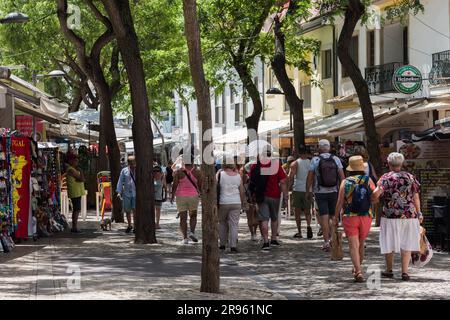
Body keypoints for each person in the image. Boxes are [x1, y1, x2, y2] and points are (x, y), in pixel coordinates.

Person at [371, 152, 422, 281]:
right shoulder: (410, 177)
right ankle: (405, 272)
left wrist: (372, 199)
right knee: (407, 242)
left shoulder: (386, 178)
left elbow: (376, 194)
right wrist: (419, 213)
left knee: (389, 241)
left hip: (390, 214)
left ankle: (389, 270)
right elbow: (416, 197)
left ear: (388, 163)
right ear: (401, 163)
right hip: (409, 214)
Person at [334, 156, 376, 282]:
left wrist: (335, 217)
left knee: (353, 245)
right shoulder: (368, 180)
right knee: (361, 244)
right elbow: (375, 198)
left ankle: (358, 271)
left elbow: (340, 201)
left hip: (349, 216)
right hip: (366, 216)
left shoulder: (345, 182)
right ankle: (357, 267)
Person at [306, 139, 345, 252]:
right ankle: (334, 239)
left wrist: (308, 190)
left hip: (320, 192)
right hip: (334, 191)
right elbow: (342, 177)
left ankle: (326, 242)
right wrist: (343, 191)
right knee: (334, 216)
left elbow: (310, 177)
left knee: (324, 216)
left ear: (319, 148)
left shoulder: (315, 160)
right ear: (329, 147)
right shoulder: (336, 159)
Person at [249, 147, 288, 251]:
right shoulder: (276, 165)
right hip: (275, 195)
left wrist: (251, 195)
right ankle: (274, 239)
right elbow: (283, 181)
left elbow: (251, 181)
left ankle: (266, 241)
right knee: (274, 218)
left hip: (261, 196)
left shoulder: (255, 166)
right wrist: (285, 196)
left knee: (264, 219)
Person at [171, 153, 201, 244]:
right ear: (192, 161)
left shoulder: (179, 172)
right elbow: (200, 185)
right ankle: (192, 232)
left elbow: (175, 185)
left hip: (181, 196)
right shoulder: (197, 172)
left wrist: (172, 196)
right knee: (193, 215)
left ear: (184, 161)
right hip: (193, 196)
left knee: (183, 218)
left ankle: (184, 238)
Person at [217, 162, 246, 253]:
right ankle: (233, 246)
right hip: (236, 202)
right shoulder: (238, 176)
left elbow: (214, 186)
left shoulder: (220, 174)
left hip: (223, 202)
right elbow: (241, 191)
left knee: (222, 223)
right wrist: (242, 202)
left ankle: (222, 244)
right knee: (234, 224)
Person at [288, 149, 313, 239]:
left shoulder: (295, 163)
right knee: (307, 210)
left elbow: (291, 177)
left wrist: (287, 188)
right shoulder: (311, 163)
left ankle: (299, 231)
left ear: (298, 153)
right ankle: (309, 225)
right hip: (308, 189)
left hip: (298, 188)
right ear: (307, 153)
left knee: (297, 211)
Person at [66, 154, 86, 233]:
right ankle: (74, 227)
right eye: (75, 161)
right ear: (71, 161)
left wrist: (80, 178)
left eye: (77, 161)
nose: (77, 162)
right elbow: (81, 179)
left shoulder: (73, 169)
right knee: (76, 210)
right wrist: (81, 171)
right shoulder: (71, 169)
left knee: (77, 209)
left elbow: (81, 179)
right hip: (75, 192)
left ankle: (75, 227)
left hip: (77, 192)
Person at [116, 156, 136, 233]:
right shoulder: (124, 171)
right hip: (127, 193)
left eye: (133, 162)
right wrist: (119, 192)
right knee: (127, 210)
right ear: (128, 163)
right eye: (131, 163)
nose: (132, 164)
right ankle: (129, 225)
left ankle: (135, 226)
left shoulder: (138, 170)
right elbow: (120, 181)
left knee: (135, 210)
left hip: (136, 193)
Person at [241, 159, 259, 241]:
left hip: (251, 197)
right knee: (253, 215)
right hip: (251, 197)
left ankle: (253, 233)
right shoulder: (245, 177)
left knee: (252, 216)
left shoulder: (245, 176)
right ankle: (253, 233)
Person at [153, 165, 167, 229]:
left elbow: (165, 187)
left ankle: (157, 224)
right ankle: (153, 223)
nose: (156, 172)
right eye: (154, 171)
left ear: (160, 172)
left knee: (158, 210)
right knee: (152, 210)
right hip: (151, 197)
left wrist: (165, 196)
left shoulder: (162, 177)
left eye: (157, 171)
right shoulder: (151, 177)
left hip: (159, 197)